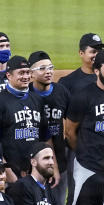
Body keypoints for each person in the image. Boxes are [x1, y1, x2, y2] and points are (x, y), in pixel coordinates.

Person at [64, 48, 104, 205]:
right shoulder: (83, 96)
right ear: (97, 71)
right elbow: (70, 132)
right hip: (87, 165)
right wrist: (84, 152)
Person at [0, 55, 47, 176]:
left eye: (27, 72)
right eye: (21, 73)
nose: (26, 77)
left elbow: (45, 138)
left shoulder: (37, 100)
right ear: (9, 75)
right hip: (11, 172)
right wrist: (9, 175)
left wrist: (51, 168)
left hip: (36, 171)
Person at [29, 51, 69, 196]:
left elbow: (71, 122)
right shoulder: (27, 95)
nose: (48, 72)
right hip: (31, 161)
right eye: (42, 68)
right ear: (31, 74)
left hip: (58, 155)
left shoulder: (61, 92)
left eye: (51, 68)